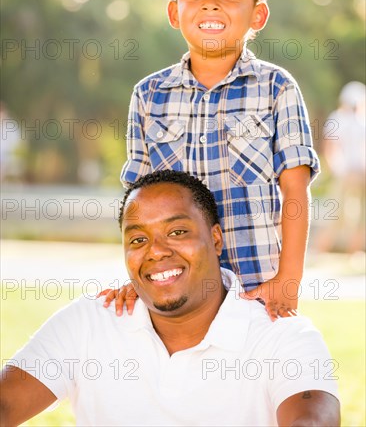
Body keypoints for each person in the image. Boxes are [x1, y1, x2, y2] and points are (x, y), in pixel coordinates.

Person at [1, 171, 340, 426]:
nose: (156, 252)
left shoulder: (283, 336)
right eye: (138, 240)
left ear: (216, 239)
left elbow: (311, 420)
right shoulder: (88, 321)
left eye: (177, 232)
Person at [104, 0, 320, 320]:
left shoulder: (276, 88)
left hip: (257, 289)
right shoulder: (148, 95)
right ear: (174, 12)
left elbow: (295, 190)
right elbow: (137, 204)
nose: (211, 4)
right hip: (176, 290)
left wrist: (289, 279)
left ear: (258, 15)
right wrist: (139, 278)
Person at [316, 81, 365, 253]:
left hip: (360, 172)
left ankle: (354, 252)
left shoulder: (360, 119)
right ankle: (321, 249)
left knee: (359, 216)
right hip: (345, 173)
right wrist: (338, 169)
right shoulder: (338, 118)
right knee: (336, 213)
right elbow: (331, 147)